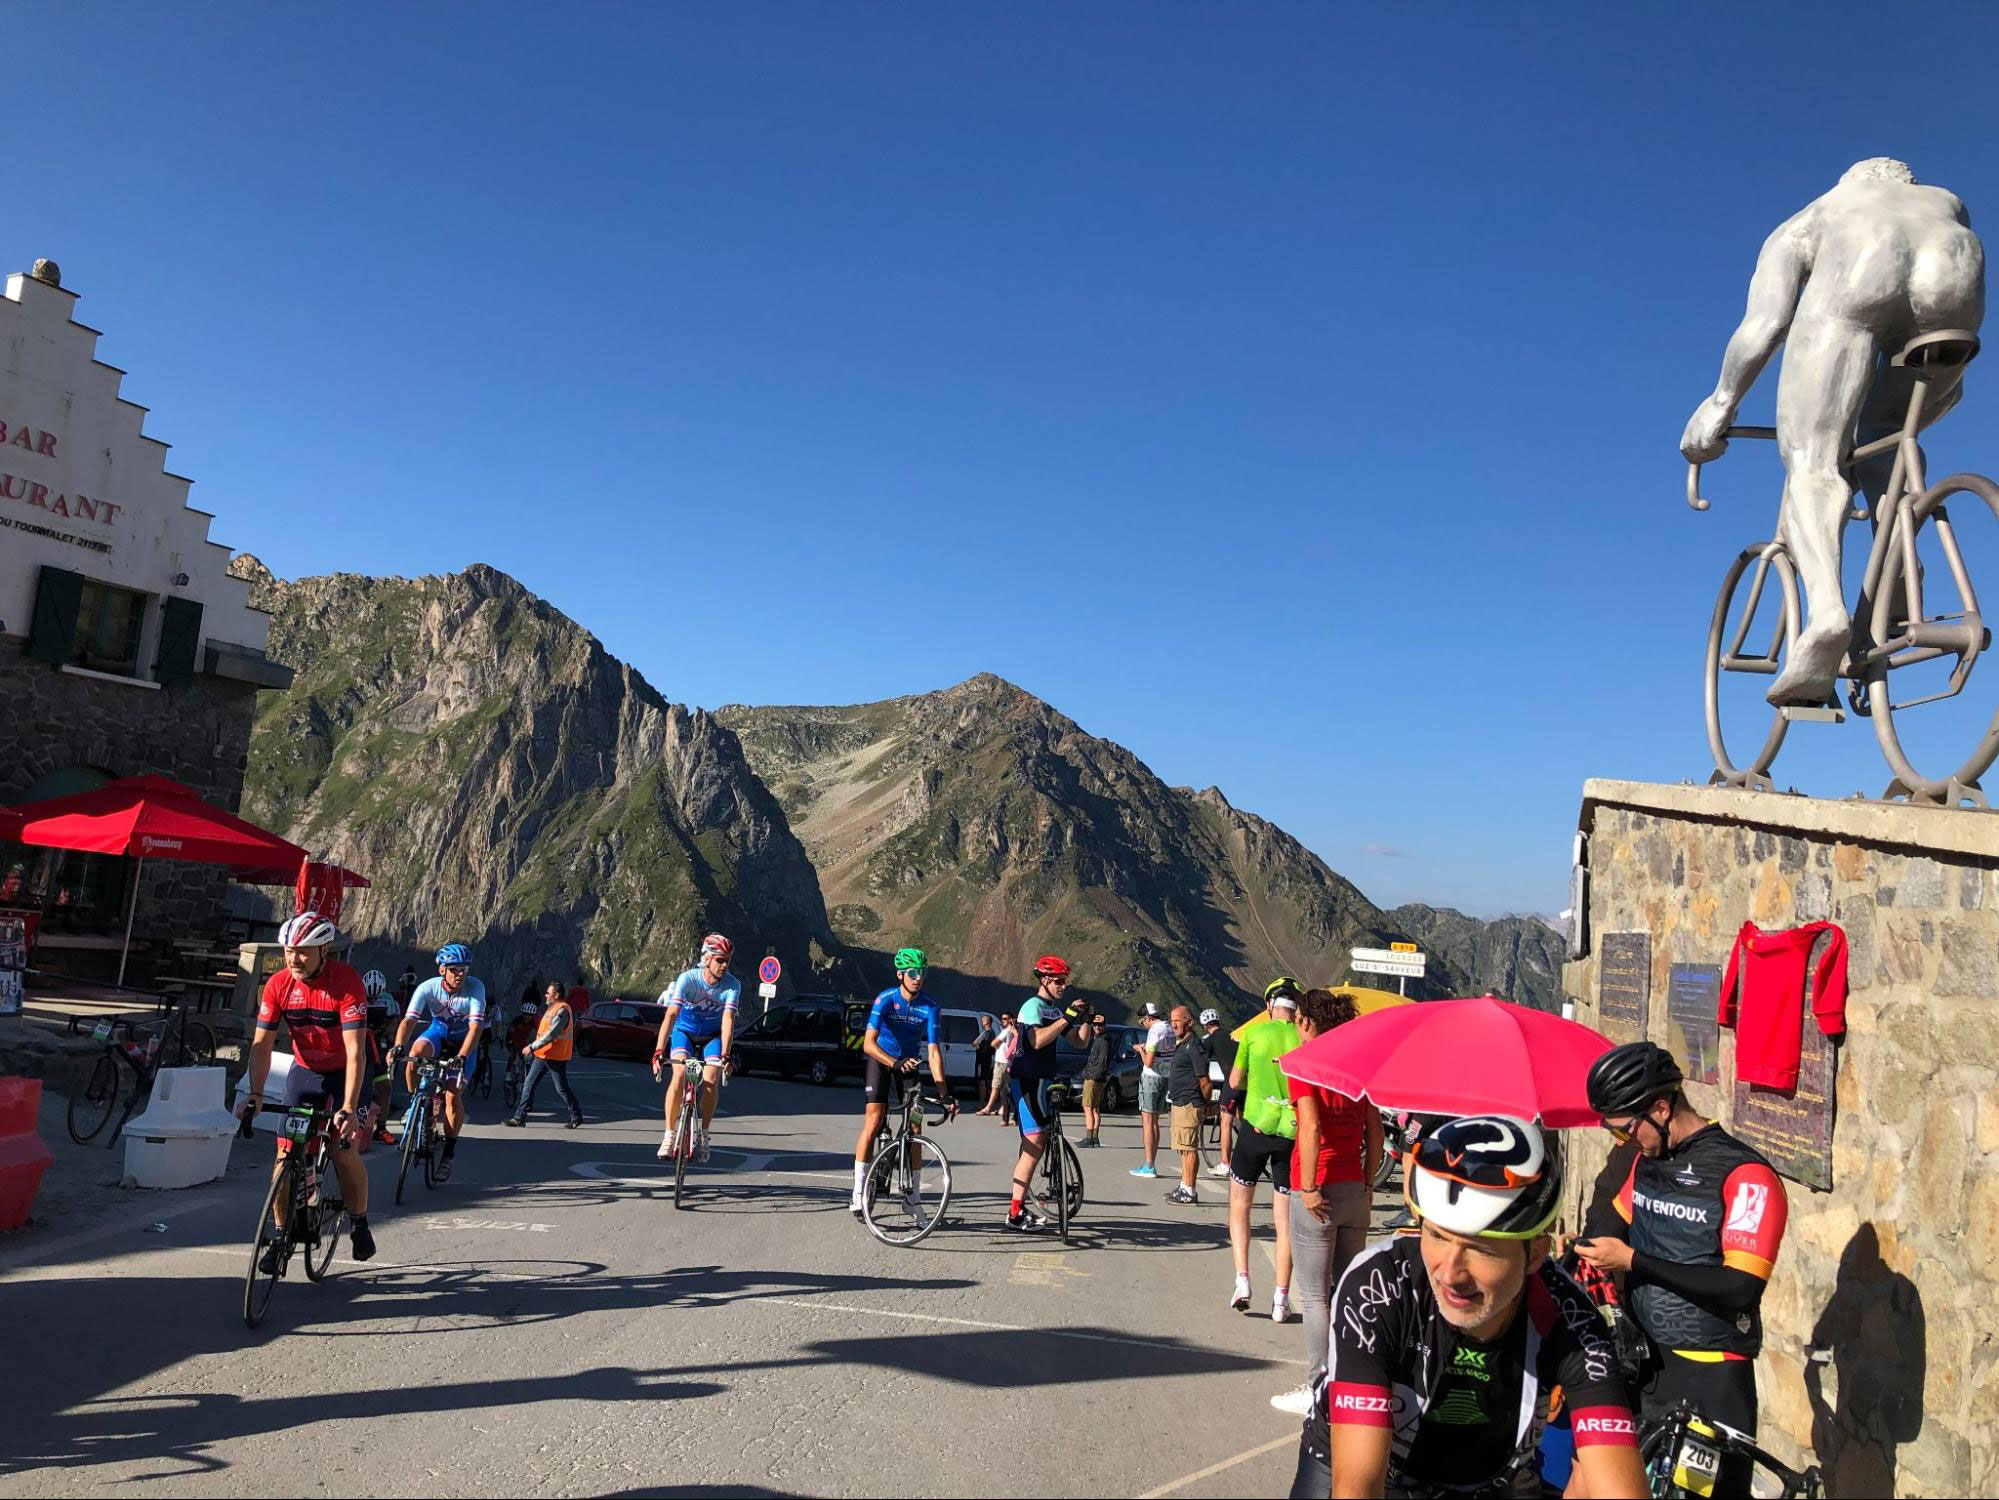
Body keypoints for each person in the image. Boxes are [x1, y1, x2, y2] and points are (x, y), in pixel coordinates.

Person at [1680, 157, 1986, 707]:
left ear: (1851, 181)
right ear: (1905, 184)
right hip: (1956, 282)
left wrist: (1720, 404)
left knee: (1812, 462)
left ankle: (1825, 616)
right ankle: (1898, 565)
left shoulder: (1815, 216)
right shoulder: (1946, 203)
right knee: (1886, 430)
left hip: (1858, 281)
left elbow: (1764, 327)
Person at [1292, 1113, 1645, 1500]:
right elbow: (1358, 1487)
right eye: (1437, 1236)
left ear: (1535, 1255)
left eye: (1480, 1249)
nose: (1450, 1273)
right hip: (1367, 1463)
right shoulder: (1378, 1285)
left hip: (1485, 1477)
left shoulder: (1572, 1319)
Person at [1575, 1042, 1789, 1498]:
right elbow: (1609, 1226)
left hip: (1710, 1379)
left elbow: (1740, 1289)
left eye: (1626, 1131)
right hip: (1648, 1366)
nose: (1624, 1143)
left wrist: (1634, 1261)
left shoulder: (1745, 1175)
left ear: (1661, 1107)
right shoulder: (1647, 1162)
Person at [239, 913, 378, 1268]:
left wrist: (347, 1106)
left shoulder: (347, 984)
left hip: (345, 1071)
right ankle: (281, 1234)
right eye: (289, 951)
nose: (294, 959)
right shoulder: (279, 984)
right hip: (306, 1071)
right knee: (285, 1157)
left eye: (303, 951)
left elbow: (355, 1052)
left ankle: (359, 1221)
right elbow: (261, 1045)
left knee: (342, 1148)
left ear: (324, 950)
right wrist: (255, 1093)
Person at [1272, 987, 1383, 1415]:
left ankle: (1319, 1388)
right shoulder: (1359, 1065)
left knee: (1314, 1296)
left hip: (1319, 1188)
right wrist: (1368, 1179)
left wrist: (1311, 1186)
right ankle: (1350, 1379)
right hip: (1356, 1186)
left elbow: (1311, 1127)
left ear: (1305, 1022)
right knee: (1348, 1292)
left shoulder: (1303, 1063)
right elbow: (1375, 1129)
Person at [851, 947, 956, 1215]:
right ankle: (859, 1190)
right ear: (900, 974)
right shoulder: (885, 999)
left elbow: (933, 1051)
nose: (918, 978)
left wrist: (944, 1093)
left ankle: (913, 1198)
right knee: (873, 1122)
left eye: (922, 973)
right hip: (881, 1060)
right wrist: (893, 1062)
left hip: (909, 1065)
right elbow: (868, 1045)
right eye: (912, 973)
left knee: (917, 1128)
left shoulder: (930, 1006)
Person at [1227, 981, 1301, 1318]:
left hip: (1255, 1127)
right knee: (1284, 1220)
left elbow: (1233, 1081)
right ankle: (1281, 1299)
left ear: (1269, 1004)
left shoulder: (1253, 1035)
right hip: (1291, 1132)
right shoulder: (1304, 1037)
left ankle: (1242, 1280)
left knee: (1240, 1206)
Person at [1005, 956, 1093, 1232]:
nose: (1063, 986)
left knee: (1037, 1142)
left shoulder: (1054, 1011)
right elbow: (1036, 1040)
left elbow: (1078, 1042)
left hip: (1044, 1080)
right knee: (1035, 1143)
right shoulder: (1032, 1006)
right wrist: (1067, 1016)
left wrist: (1086, 1021)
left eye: (1065, 982)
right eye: (1058, 981)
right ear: (1044, 980)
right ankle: (1015, 1212)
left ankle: (1022, 1200)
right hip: (1027, 1080)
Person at [389, 942, 487, 1184]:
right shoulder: (427, 988)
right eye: (455, 969)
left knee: (453, 1096)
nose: (461, 974)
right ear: (442, 970)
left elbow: (476, 1029)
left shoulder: (475, 988)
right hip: (438, 1034)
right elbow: (408, 1021)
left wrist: (462, 1057)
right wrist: (397, 1046)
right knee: (415, 1052)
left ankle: (448, 1154)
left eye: (464, 969)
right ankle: (415, 1102)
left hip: (464, 1043)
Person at [652, 935, 739, 1163]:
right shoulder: (688, 979)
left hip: (712, 1037)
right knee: (680, 1074)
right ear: (707, 958)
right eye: (720, 960)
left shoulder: (732, 985)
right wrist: (659, 1051)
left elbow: (728, 1021)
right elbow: (671, 1015)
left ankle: (704, 1134)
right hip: (685, 1033)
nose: (724, 965)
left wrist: (726, 1055)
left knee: (710, 1078)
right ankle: (669, 1135)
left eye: (728, 960)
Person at [505, 983, 583, 1129]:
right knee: (528, 1084)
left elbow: (552, 1034)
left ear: (557, 995)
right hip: (542, 1055)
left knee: (561, 1088)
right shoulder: (550, 1009)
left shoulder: (563, 1010)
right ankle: (519, 1117)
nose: (545, 995)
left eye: (548, 993)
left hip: (555, 1056)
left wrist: (531, 1046)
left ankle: (576, 1115)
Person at [1161, 1004, 1211, 1205]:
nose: (1174, 1024)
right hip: (1181, 1102)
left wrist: (1202, 1105)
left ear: (1189, 1022)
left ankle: (1189, 1191)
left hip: (1189, 1103)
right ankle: (1184, 1185)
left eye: (1178, 1020)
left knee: (1189, 1148)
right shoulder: (1184, 1043)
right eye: (1172, 1020)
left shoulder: (1194, 1046)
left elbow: (1204, 1081)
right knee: (1184, 1147)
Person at [1129, 1001, 1171, 1179]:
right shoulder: (1168, 1027)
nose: (1143, 1025)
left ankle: (1149, 1164)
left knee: (1147, 1123)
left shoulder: (1154, 1031)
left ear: (1147, 1018)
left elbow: (1148, 1062)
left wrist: (1140, 1049)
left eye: (1142, 1021)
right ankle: (1150, 1162)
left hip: (1151, 1077)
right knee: (1155, 1122)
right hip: (1166, 1075)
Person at [359, 968, 398, 1146]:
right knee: (358, 1087)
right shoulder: (357, 995)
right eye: (369, 998)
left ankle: (381, 1128)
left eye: (376, 998)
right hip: (359, 1047)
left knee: (385, 1087)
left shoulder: (389, 1000)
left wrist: (385, 1031)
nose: (373, 1000)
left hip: (377, 1049)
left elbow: (394, 1022)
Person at [1201, 1007, 1238, 1178]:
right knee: (1246, 1123)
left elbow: (1201, 1062)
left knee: (1226, 1122)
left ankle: (1225, 1163)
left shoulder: (1209, 1039)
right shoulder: (1233, 1035)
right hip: (1247, 1082)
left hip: (1231, 1083)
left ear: (1204, 1026)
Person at [1079, 1007, 1113, 1146]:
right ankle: (1094, 1138)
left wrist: (1092, 1076)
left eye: (1100, 1025)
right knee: (1094, 1108)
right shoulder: (1100, 1039)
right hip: (1097, 1077)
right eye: (1095, 1024)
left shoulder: (1103, 1041)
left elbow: (1102, 1062)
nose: (1097, 1027)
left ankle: (1090, 1138)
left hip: (1094, 1078)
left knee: (1088, 1107)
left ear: (1105, 1026)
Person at [978, 1013, 1018, 1119]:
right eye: (1002, 1018)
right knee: (1004, 1088)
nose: (1002, 1020)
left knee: (996, 1086)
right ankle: (1003, 1108)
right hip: (1007, 1062)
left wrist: (997, 1046)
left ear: (1010, 1020)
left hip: (1001, 1062)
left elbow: (994, 1043)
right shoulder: (1013, 1031)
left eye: (1005, 1019)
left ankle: (988, 1107)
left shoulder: (1006, 1031)